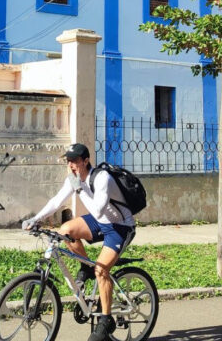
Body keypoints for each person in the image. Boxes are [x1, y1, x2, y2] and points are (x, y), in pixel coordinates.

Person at [22, 143, 136, 341]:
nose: (71, 165)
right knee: (66, 230)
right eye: (68, 161)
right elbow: (57, 201)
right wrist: (36, 218)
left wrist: (79, 189)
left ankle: (106, 320)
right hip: (100, 223)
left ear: (85, 161)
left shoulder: (102, 178)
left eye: (75, 161)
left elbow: (98, 210)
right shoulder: (74, 179)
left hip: (120, 226)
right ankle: (86, 266)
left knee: (102, 271)